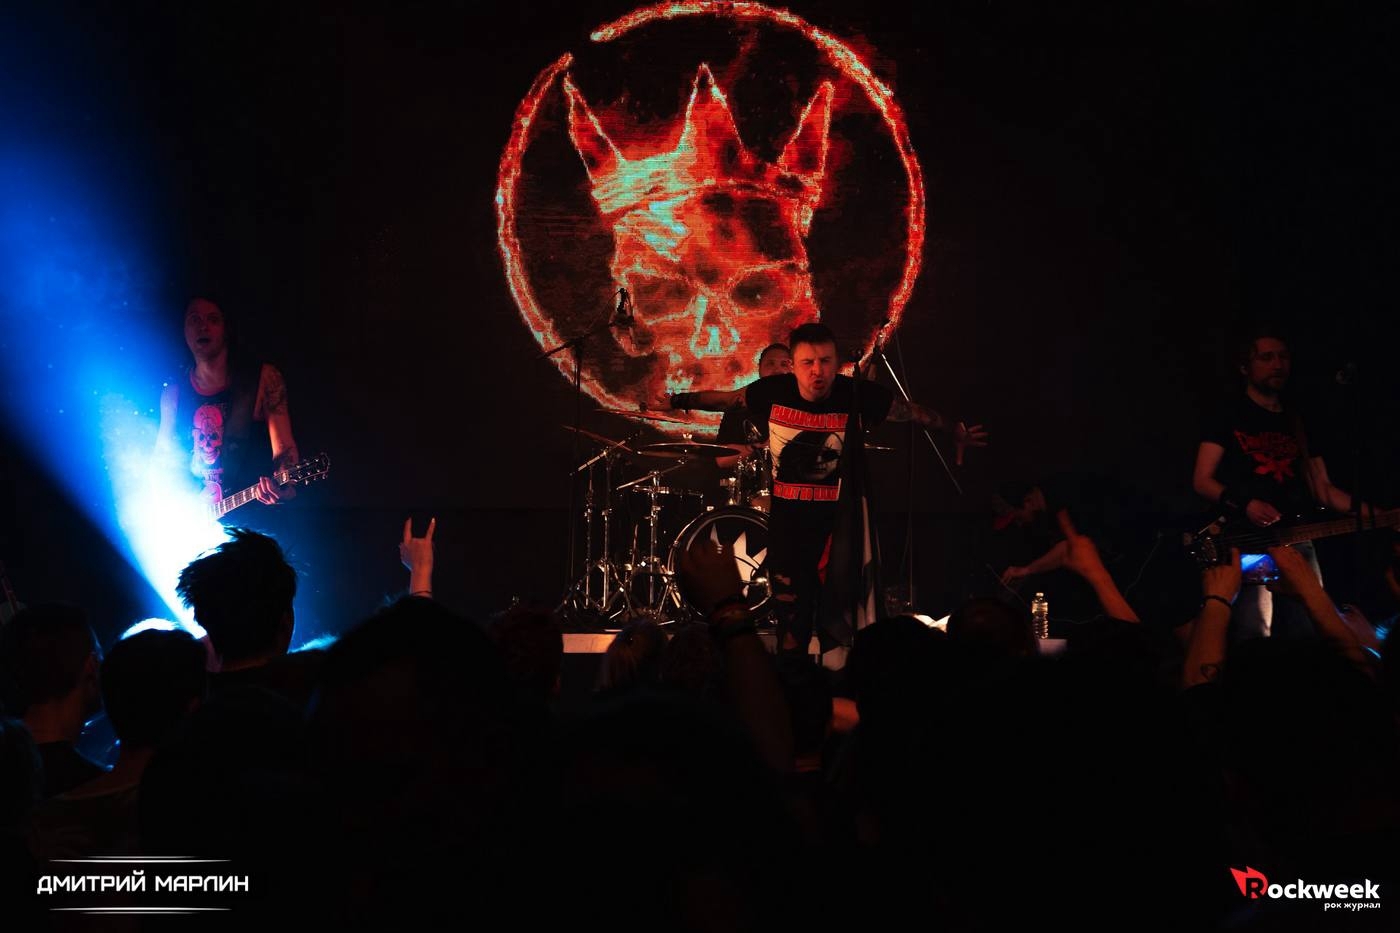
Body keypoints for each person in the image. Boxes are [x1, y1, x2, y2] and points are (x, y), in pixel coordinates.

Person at [687, 323, 986, 655]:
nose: (817, 371)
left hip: (840, 525)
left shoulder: (855, 394)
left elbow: (913, 412)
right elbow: (725, 400)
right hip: (790, 525)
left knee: (844, 615)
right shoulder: (773, 391)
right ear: (794, 366)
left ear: (836, 362)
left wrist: (952, 429)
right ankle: (795, 674)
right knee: (792, 620)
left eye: (825, 361)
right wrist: (676, 400)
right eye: (808, 363)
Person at [1192, 328, 1383, 639]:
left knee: (1308, 626)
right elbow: (1202, 481)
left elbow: (1324, 490)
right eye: (1266, 358)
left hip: (1297, 538)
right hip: (1246, 539)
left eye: (1283, 357)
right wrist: (1246, 504)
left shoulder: (1298, 421)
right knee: (1254, 631)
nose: (1278, 364)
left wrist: (1380, 515)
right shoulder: (1228, 415)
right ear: (1245, 367)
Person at [155, 297, 300, 510]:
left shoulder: (263, 379)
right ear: (184, 330)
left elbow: (284, 450)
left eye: (212, 319)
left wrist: (284, 487)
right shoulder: (173, 393)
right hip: (194, 519)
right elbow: (162, 459)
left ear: (226, 328)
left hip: (251, 517)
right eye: (195, 320)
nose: (203, 327)